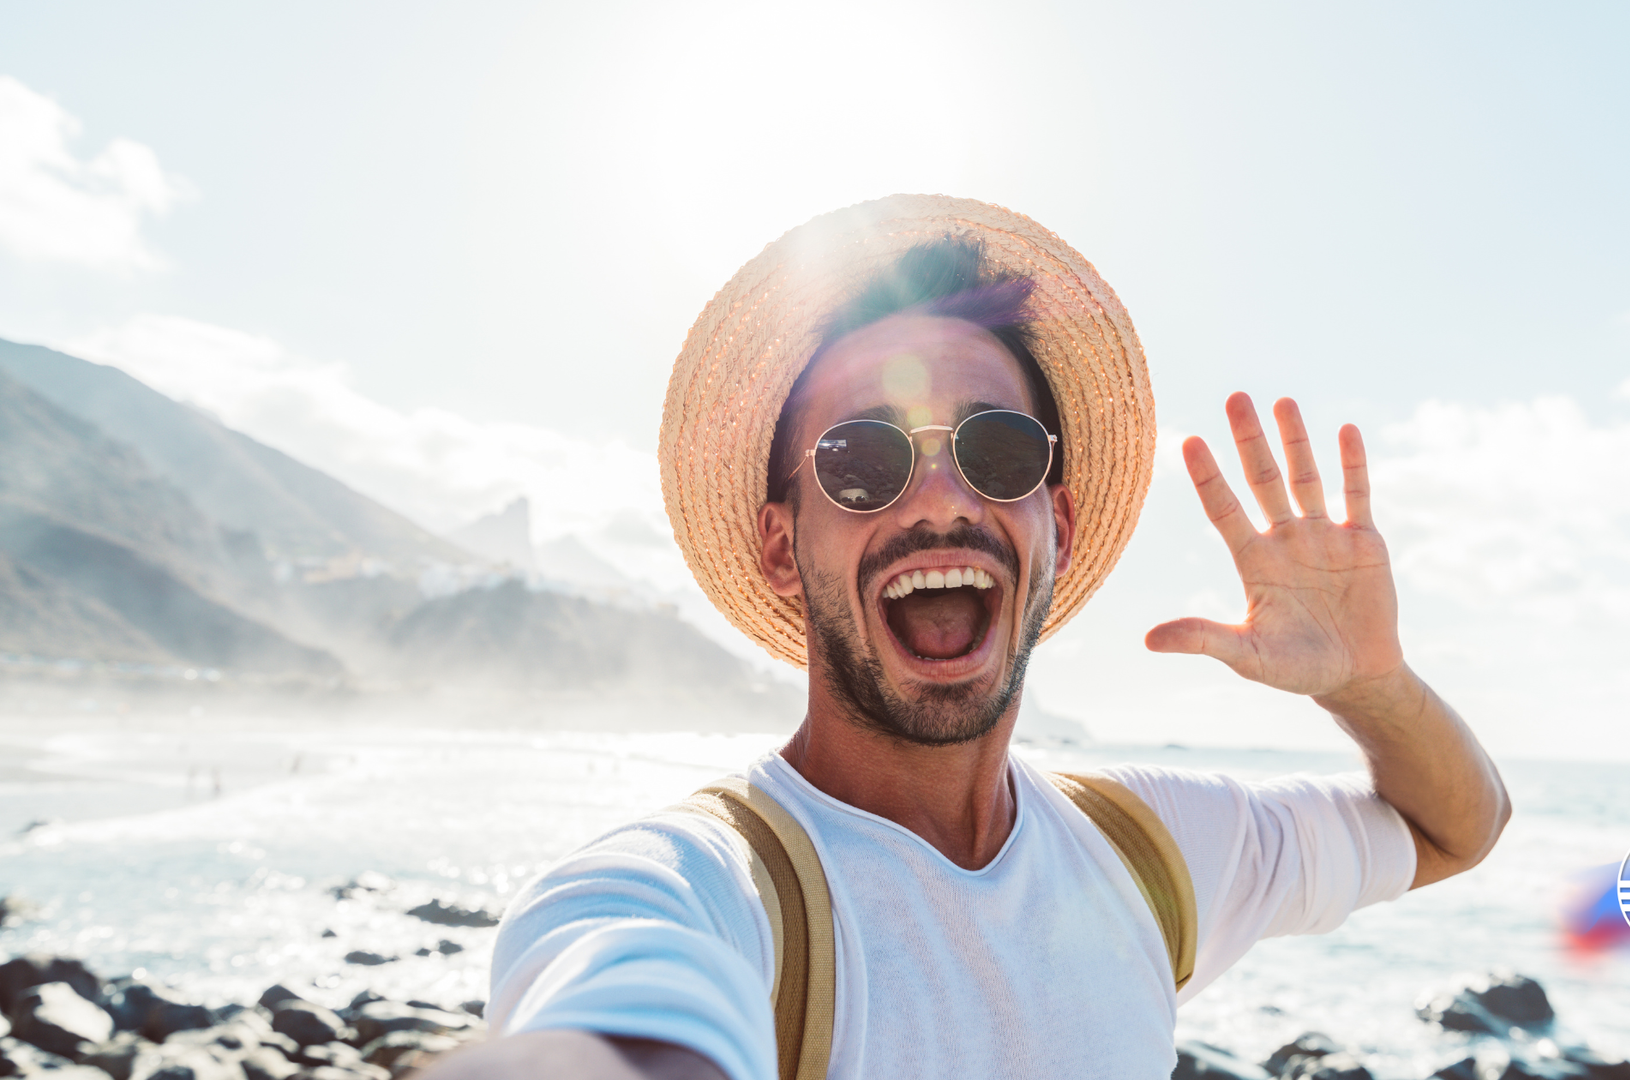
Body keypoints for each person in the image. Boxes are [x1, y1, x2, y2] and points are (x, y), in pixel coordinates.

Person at [426, 195, 1509, 1080]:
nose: (937, 498)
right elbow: (617, 1012)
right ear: (777, 549)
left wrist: (1373, 685)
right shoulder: (699, 887)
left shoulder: (1149, 854)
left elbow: (1456, 828)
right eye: (861, 460)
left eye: (996, 450)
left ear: (1059, 525)